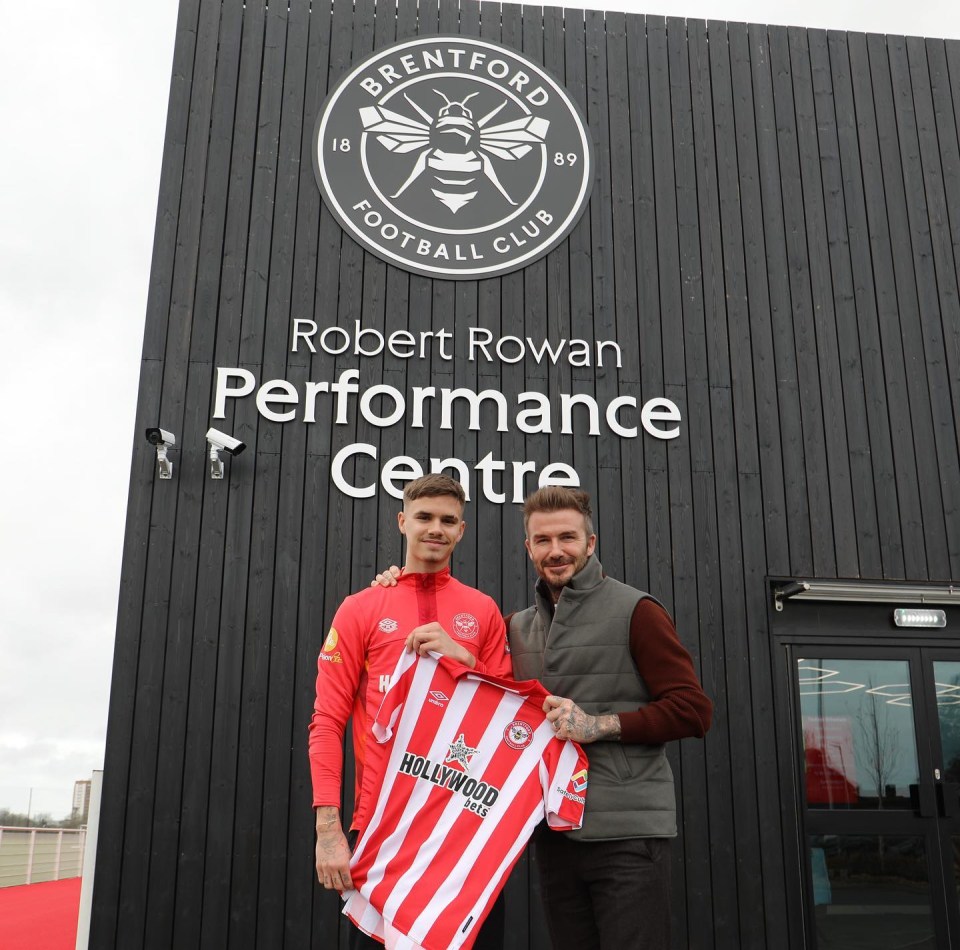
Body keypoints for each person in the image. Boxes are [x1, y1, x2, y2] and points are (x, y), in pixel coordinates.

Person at [309, 474, 512, 950]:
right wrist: (328, 829)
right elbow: (327, 721)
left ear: (462, 530)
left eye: (447, 520)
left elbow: (507, 717)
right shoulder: (361, 607)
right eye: (424, 517)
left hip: (464, 829)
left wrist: (466, 659)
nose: (435, 529)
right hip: (382, 829)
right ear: (403, 522)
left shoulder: (481, 611)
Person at [511, 486, 713, 950]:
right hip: (555, 835)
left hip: (628, 837)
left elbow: (694, 709)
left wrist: (598, 726)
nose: (556, 550)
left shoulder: (636, 610)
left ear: (591, 543)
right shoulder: (518, 627)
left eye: (568, 537)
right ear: (529, 548)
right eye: (543, 540)